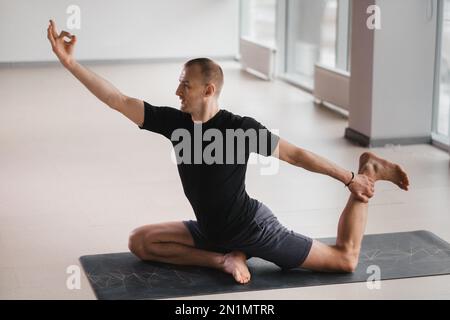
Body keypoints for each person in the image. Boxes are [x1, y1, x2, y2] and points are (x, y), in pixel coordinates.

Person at [47, 20, 410, 284]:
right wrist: (71, 64)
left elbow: (296, 155)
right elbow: (118, 100)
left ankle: (370, 171)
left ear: (208, 90)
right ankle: (224, 259)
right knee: (140, 241)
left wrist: (349, 178)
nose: (177, 91)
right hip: (209, 231)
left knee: (345, 259)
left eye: (185, 85)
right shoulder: (175, 123)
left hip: (252, 228)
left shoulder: (240, 129)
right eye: (178, 83)